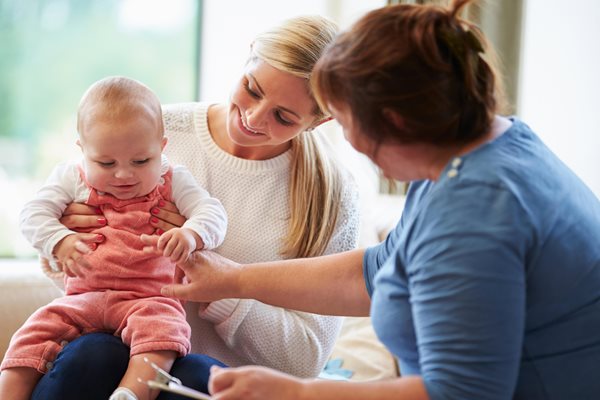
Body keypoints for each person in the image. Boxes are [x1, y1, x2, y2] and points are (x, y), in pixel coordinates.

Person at [155, 1, 600, 399]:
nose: (348, 141)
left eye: (345, 122)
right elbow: (380, 270)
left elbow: (463, 392)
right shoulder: (476, 148)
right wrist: (233, 281)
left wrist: (301, 395)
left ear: (395, 122)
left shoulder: (477, 213)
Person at [27, 15, 361, 400]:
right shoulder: (150, 131)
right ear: (249, 54)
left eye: (283, 116)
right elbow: (71, 276)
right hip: (105, 355)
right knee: (94, 353)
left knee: (201, 375)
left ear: (321, 120)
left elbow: (306, 360)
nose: (253, 118)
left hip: (213, 386)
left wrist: (222, 287)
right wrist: (68, 242)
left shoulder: (331, 195)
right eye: (251, 89)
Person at [0, 76, 228, 400]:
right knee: (35, 331)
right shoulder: (71, 177)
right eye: (106, 163)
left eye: (141, 161)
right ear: (82, 151)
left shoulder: (173, 178)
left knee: (164, 330)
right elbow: (32, 214)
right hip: (82, 297)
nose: (124, 174)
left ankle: (130, 392)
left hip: (148, 299)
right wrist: (59, 240)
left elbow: (213, 213)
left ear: (161, 148)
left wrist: (192, 234)